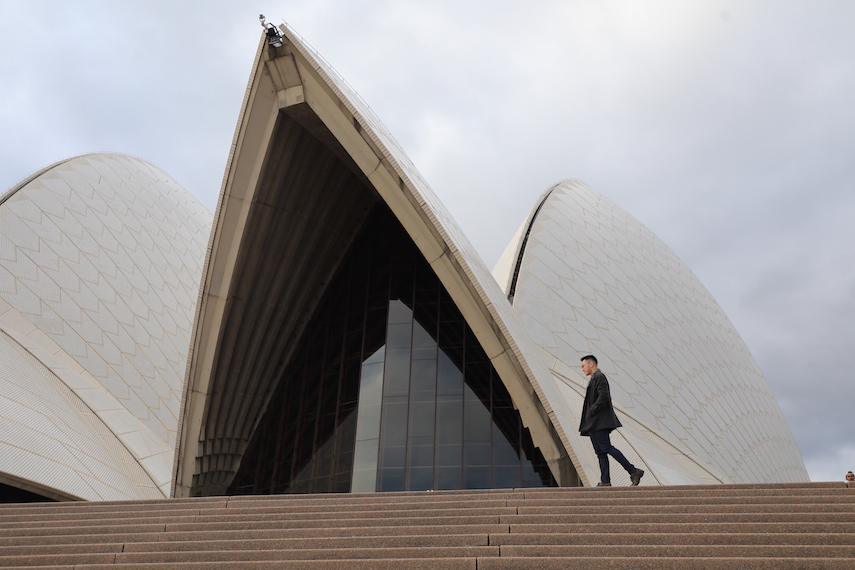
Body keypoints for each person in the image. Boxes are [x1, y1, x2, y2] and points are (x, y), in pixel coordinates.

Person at [579, 355, 645, 487]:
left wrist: (592, 410)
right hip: (593, 423)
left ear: (591, 364)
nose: (582, 369)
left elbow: (604, 396)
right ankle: (605, 481)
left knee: (606, 448)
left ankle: (633, 471)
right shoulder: (593, 378)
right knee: (600, 452)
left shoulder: (599, 377)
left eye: (583, 366)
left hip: (598, 421)